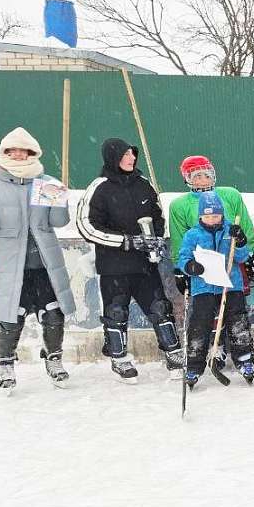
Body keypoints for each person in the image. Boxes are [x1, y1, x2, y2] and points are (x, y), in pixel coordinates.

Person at [0, 127, 75, 392]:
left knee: (53, 314)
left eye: (23, 150)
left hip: (45, 264)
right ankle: (5, 363)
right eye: (12, 150)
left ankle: (54, 358)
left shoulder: (45, 181)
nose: (18, 154)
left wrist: (60, 200)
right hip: (12, 267)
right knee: (11, 317)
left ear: (32, 152)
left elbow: (59, 222)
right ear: (3, 153)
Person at [76, 137, 181, 383]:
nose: (131, 159)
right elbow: (86, 226)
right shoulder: (99, 187)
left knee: (160, 308)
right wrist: (124, 241)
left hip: (145, 265)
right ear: (113, 158)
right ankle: (119, 358)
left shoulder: (144, 184)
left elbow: (158, 216)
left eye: (132, 154)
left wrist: (154, 238)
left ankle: (173, 354)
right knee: (116, 312)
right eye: (125, 155)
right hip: (113, 265)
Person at [168, 155, 254, 373]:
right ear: (187, 179)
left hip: (230, 272)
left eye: (206, 174)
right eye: (196, 176)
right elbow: (181, 242)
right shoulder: (180, 205)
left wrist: (251, 251)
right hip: (203, 276)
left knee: (235, 313)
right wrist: (182, 269)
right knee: (202, 317)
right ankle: (211, 350)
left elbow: (243, 226)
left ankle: (242, 357)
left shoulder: (229, 195)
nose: (202, 179)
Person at [177, 192, 254, 387]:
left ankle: (245, 360)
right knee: (199, 325)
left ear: (222, 214)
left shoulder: (231, 230)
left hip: (231, 286)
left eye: (216, 216)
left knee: (238, 323)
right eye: (207, 216)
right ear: (200, 216)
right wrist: (190, 266)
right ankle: (194, 367)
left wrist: (241, 241)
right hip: (203, 288)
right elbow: (183, 257)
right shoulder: (193, 234)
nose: (212, 220)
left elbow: (242, 257)